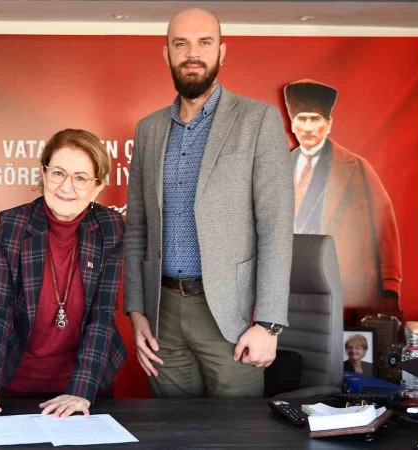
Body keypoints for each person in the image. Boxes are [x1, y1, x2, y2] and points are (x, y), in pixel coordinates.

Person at [124, 8, 293, 398]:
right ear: (166, 54)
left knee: (237, 428)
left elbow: (276, 227)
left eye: (204, 42)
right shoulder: (148, 130)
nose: (192, 53)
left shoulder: (258, 121)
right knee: (172, 427)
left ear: (222, 51)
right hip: (162, 315)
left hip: (231, 318)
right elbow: (137, 231)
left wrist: (268, 325)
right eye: (180, 44)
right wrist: (136, 312)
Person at [0, 129, 126, 418]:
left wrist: (81, 391)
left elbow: (102, 314)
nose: (66, 187)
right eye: (58, 173)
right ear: (43, 173)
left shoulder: (110, 227)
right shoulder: (13, 224)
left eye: (81, 178)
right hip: (18, 381)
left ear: (97, 187)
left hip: (86, 385)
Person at [285, 79, 402, 315]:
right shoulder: (278, 167)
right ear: (292, 124)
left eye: (315, 119)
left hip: (341, 281)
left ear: (328, 124)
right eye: (302, 119)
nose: (308, 127)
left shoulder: (357, 168)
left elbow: (384, 226)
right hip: (291, 282)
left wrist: (390, 285)